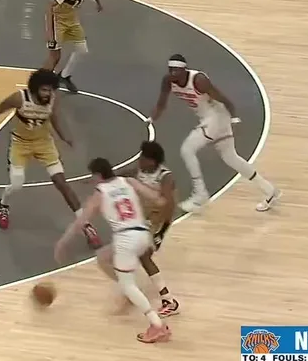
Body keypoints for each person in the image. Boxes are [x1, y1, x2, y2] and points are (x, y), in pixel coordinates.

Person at [55, 157, 171, 343]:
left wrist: (63, 242)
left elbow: (81, 221)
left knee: (128, 285)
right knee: (102, 257)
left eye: (93, 176)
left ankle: (156, 325)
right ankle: (129, 290)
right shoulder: (129, 181)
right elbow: (158, 200)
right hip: (143, 233)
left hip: (126, 238)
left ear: (98, 175)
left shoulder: (100, 193)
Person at [150, 55, 281, 213]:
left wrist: (234, 118)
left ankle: (200, 194)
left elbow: (223, 98)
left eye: (177, 70)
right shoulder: (168, 81)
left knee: (187, 149)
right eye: (171, 70)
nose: (173, 73)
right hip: (208, 118)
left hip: (217, 116)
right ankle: (269, 190)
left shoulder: (199, 80)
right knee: (230, 158)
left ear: (184, 69)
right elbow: (161, 104)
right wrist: (151, 119)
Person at [0, 69, 99, 247]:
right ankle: (3, 204)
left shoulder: (53, 99)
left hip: (44, 143)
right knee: (17, 184)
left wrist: (64, 137)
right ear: (35, 88)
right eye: (44, 90)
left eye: (50, 90)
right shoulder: (20, 98)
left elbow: (54, 117)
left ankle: (86, 226)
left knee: (62, 184)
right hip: (20, 144)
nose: (48, 93)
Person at [130, 141, 180, 317]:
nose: (139, 160)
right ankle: (130, 289)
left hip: (156, 221)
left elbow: (169, 205)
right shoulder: (139, 171)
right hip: (140, 219)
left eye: (142, 157)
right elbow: (120, 175)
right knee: (134, 254)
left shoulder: (165, 177)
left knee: (144, 257)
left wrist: (162, 231)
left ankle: (169, 300)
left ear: (151, 161)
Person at [44, 0, 103, 94]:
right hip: (58, 19)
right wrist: (50, 33)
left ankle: (64, 76)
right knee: (55, 57)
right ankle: (39, 84)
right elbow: (50, 5)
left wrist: (98, 3)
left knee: (82, 50)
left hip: (72, 18)